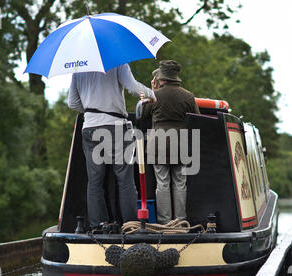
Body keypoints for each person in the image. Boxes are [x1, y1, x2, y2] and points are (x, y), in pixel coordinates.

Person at [68, 63, 156, 231]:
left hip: (89, 128)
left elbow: (73, 103)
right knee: (125, 180)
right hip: (115, 127)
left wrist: (92, 112)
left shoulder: (78, 68)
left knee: (94, 181)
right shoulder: (118, 62)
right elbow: (133, 87)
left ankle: (97, 226)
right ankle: (131, 226)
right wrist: (152, 95)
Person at [137, 60, 200, 224]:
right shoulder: (188, 96)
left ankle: (165, 222)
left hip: (158, 144)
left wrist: (151, 91)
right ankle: (181, 221)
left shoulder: (154, 95)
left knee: (162, 183)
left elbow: (142, 114)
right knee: (180, 182)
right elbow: (197, 119)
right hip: (181, 143)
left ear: (161, 78)